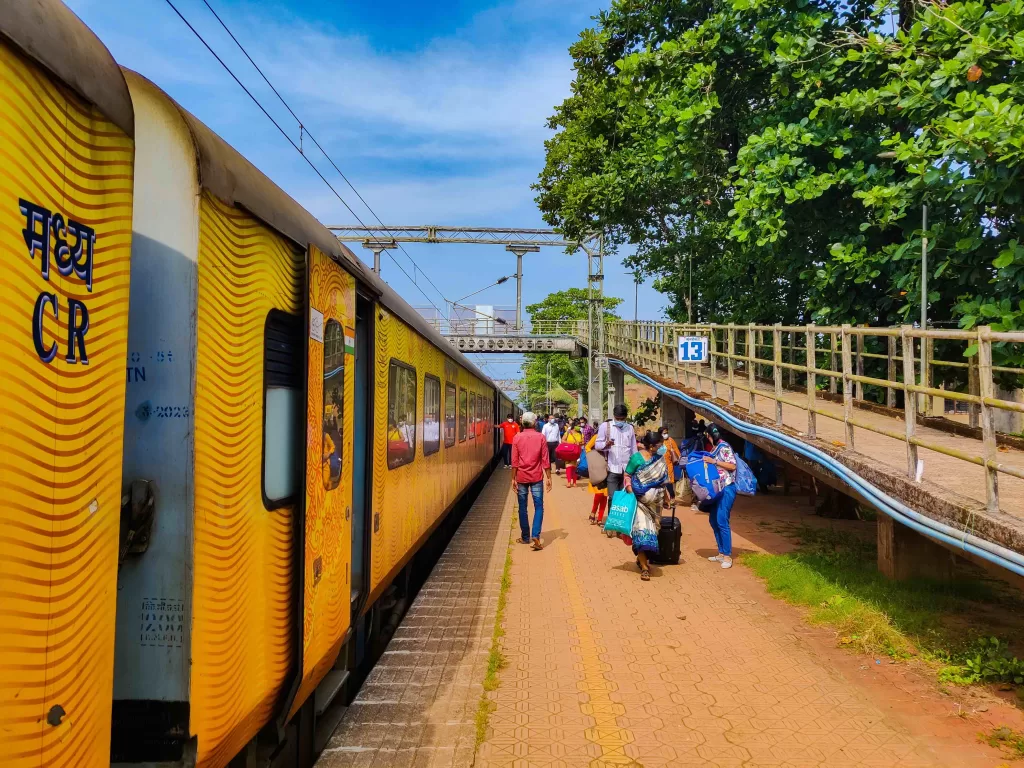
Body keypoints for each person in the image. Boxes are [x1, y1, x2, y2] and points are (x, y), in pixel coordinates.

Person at [621, 431, 669, 581]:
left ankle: (641, 559)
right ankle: (644, 567)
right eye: (660, 445)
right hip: (639, 502)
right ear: (652, 447)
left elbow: (663, 481)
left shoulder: (659, 459)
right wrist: (629, 488)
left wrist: (667, 497)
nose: (663, 447)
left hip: (656, 505)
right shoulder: (637, 458)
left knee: (653, 532)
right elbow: (627, 475)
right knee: (642, 532)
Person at [511, 412, 552, 550]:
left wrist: (513, 478)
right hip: (536, 477)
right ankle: (536, 534)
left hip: (521, 477)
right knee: (538, 506)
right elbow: (545, 460)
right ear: (535, 423)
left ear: (523, 423)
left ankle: (525, 536)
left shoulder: (517, 438)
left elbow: (514, 462)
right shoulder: (541, 437)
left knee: (522, 507)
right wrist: (549, 477)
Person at [704, 424, 738, 569]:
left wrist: (714, 461)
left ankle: (727, 556)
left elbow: (732, 466)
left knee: (722, 520)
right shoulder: (715, 448)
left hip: (727, 488)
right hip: (717, 489)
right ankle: (721, 552)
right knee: (713, 519)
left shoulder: (724, 447)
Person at [594, 403, 636, 501]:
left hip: (627, 470)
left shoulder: (630, 428)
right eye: (618, 418)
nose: (620, 421)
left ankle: (623, 516)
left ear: (625, 417)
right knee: (613, 498)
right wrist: (606, 444)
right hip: (612, 468)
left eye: (622, 419)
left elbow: (634, 449)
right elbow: (597, 445)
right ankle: (611, 516)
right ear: (614, 416)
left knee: (625, 498)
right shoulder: (605, 426)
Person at [585, 422, 609, 524]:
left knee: (605, 495)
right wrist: (595, 458)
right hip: (598, 469)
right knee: (598, 494)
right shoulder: (596, 437)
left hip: (609, 469)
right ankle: (593, 512)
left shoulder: (615, 439)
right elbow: (587, 448)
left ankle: (600, 518)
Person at [659, 425, 681, 502]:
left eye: (667, 433)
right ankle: (662, 499)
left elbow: (676, 450)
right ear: (660, 434)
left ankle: (672, 496)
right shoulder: (658, 441)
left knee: (668, 482)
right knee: (659, 482)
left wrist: (678, 459)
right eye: (664, 433)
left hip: (668, 464)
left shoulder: (671, 440)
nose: (666, 434)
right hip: (659, 465)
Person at [562, 423, 585, 488]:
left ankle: (574, 482)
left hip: (577, 452)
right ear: (574, 426)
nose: (579, 427)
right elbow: (563, 440)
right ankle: (569, 482)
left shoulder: (580, 433)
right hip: (568, 451)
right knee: (568, 466)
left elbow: (583, 442)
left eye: (579, 426)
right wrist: (571, 443)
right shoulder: (568, 432)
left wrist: (580, 443)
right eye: (578, 425)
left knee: (574, 467)